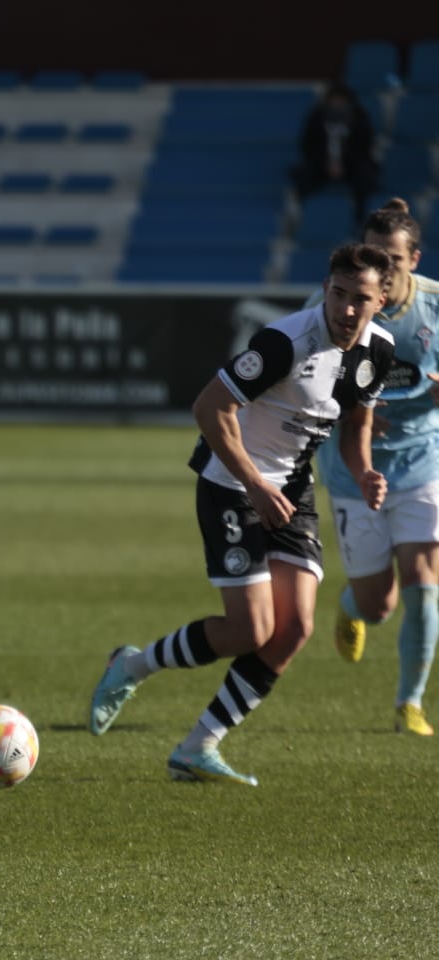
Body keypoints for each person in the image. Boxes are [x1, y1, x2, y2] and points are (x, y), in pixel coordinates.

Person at [89, 242, 396, 786]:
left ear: (382, 298)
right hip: (232, 484)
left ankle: (197, 746)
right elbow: (210, 407)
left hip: (291, 490)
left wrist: (366, 469)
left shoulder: (378, 351)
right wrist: (253, 483)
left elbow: (354, 427)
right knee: (251, 628)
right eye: (339, 294)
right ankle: (132, 666)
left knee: (294, 628)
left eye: (361, 299)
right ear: (326, 290)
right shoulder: (284, 343)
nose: (347, 309)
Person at [319, 199, 439, 736]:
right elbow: (308, 381)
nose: (384, 270)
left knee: (423, 580)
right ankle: (352, 606)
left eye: (394, 258)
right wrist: (356, 415)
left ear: (414, 258)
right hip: (352, 467)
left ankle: (409, 704)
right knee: (379, 603)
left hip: (422, 458)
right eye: (376, 256)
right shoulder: (339, 304)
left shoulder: (434, 308)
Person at [290, 80, 381, 226]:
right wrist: (327, 163)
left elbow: (365, 147)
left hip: (352, 164)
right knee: (302, 176)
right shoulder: (317, 117)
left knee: (365, 178)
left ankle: (361, 219)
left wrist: (344, 163)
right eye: (334, 100)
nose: (337, 103)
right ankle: (302, 219)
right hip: (322, 164)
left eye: (341, 100)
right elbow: (308, 145)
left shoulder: (360, 118)